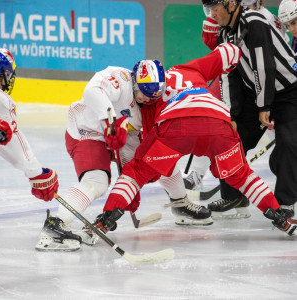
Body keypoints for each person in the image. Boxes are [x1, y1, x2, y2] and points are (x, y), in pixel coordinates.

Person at [92, 43, 297, 238]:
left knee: (136, 171)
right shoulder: (189, 69)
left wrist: (129, 189)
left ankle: (106, 219)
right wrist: (232, 46)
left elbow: (149, 162)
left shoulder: (145, 103)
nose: (146, 99)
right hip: (218, 122)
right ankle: (279, 216)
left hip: (175, 127)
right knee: (241, 174)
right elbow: (228, 52)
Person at [36, 59, 214, 251]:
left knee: (160, 159)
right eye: (143, 94)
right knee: (97, 181)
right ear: (135, 82)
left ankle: (181, 203)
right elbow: (92, 91)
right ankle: (56, 224)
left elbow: (131, 148)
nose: (147, 101)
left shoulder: (148, 107)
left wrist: (130, 188)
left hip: (121, 140)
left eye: (153, 97)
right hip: (87, 132)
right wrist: (110, 122)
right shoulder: (120, 79)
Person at [202, 0, 297, 221]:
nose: (212, 14)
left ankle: (285, 203)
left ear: (231, 4)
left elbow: (264, 66)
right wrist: (231, 114)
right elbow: (229, 74)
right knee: (229, 139)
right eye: (209, 9)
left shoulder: (253, 22)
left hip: (289, 92)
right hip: (256, 94)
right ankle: (234, 196)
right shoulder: (224, 35)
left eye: (215, 8)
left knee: (289, 144)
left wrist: (264, 106)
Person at [0, 48, 59, 210]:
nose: (6, 81)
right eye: (7, 75)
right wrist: (36, 173)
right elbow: (13, 140)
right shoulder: (2, 101)